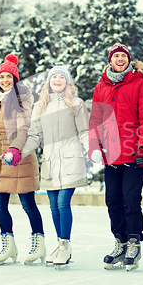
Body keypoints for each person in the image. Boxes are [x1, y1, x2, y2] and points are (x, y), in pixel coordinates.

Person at [88, 43, 143, 271]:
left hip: (134, 153)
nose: (119, 59)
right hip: (110, 154)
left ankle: (134, 242)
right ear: (110, 60)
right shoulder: (101, 87)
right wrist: (94, 146)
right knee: (113, 201)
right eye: (115, 56)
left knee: (131, 199)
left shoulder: (141, 84)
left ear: (128, 60)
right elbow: (95, 120)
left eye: (123, 56)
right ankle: (120, 241)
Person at [0, 54, 44, 265]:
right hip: (0, 158)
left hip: (19, 156)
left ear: (15, 79)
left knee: (28, 204)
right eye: (2, 77)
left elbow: (23, 128)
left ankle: (39, 243)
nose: (5, 80)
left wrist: (14, 149)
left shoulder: (23, 98)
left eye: (9, 77)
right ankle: (9, 245)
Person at [22, 65, 90, 268]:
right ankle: (60, 245)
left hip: (71, 161)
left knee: (62, 203)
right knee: (53, 206)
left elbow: (84, 132)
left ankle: (65, 244)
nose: (58, 80)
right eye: (54, 77)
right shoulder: (40, 107)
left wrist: (92, 150)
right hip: (50, 162)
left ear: (67, 82)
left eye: (62, 77)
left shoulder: (77, 104)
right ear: (49, 82)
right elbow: (35, 136)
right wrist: (20, 152)